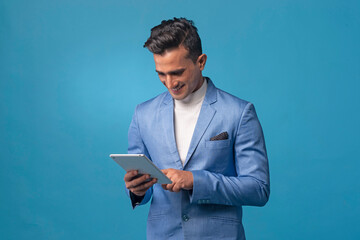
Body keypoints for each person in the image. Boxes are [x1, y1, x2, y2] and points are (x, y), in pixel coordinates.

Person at [123, 17, 270, 240]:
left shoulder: (239, 113)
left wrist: (195, 181)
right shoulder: (143, 114)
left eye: (177, 72)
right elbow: (142, 187)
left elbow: (258, 189)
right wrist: (136, 190)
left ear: (200, 62)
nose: (170, 83)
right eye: (161, 74)